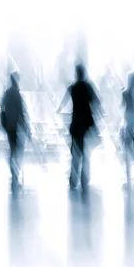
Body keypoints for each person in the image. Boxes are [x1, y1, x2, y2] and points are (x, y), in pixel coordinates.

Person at [57, 63, 102, 191]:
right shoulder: (88, 87)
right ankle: (84, 179)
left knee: (75, 152)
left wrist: (59, 110)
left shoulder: (73, 87)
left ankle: (73, 180)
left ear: (76, 73)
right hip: (86, 124)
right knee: (85, 153)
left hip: (75, 123)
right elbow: (97, 103)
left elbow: (64, 101)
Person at [0, 71, 31, 191]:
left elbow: (1, 105)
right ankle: (15, 173)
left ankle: (13, 173)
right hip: (17, 125)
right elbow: (22, 111)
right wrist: (27, 127)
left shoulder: (7, 93)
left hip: (9, 125)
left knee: (12, 149)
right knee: (17, 150)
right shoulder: (17, 93)